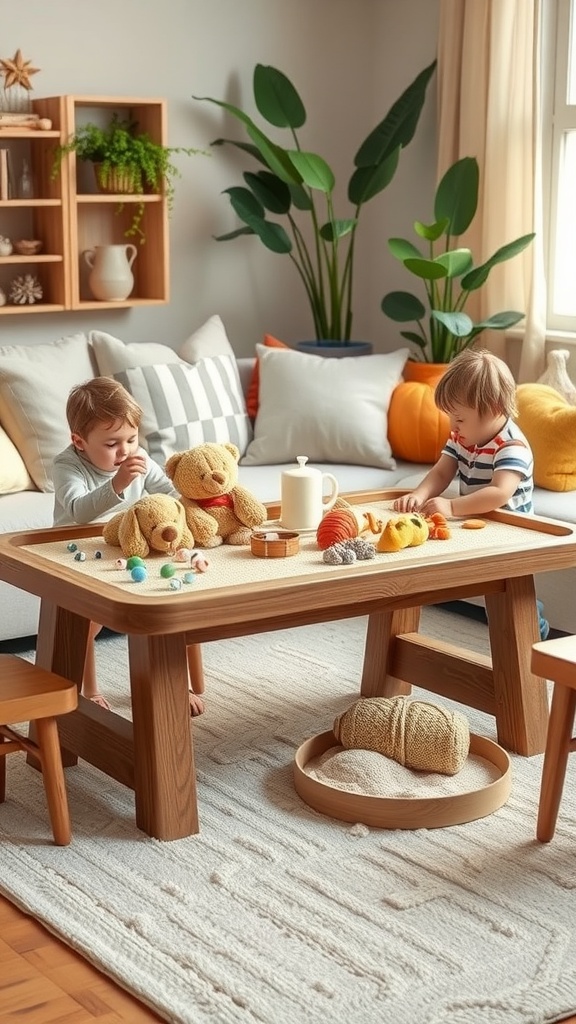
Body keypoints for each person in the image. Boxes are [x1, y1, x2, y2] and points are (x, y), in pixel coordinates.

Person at [52, 376, 205, 713]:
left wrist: (196, 506)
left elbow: (168, 492)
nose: (124, 451)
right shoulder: (66, 465)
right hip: (79, 551)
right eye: (111, 444)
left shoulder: (137, 457)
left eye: (131, 439)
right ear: (79, 441)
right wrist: (119, 485)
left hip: (128, 549)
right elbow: (78, 511)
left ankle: (175, 684)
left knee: (166, 603)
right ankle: (88, 691)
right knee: (86, 622)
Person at [393, 348, 549, 640]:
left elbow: (499, 493)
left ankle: (536, 639)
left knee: (509, 604)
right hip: (478, 525)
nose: (453, 426)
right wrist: (419, 493)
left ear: (493, 409)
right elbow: (441, 472)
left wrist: (451, 506)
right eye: (451, 417)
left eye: (460, 419)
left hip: (512, 535)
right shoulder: (462, 438)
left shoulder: (511, 446)